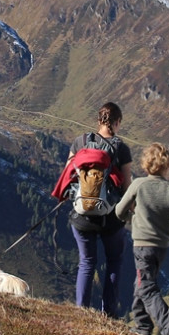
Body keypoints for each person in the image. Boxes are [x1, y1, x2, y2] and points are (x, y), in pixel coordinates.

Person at [51, 101, 132, 317]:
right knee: (114, 261)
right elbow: (126, 187)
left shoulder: (81, 142)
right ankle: (110, 314)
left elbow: (68, 176)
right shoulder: (121, 149)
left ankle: (82, 313)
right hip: (110, 217)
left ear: (99, 121)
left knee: (87, 262)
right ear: (117, 122)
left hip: (82, 216)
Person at [115, 142, 169, 335]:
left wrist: (130, 219)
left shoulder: (138, 185)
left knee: (147, 288)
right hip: (161, 246)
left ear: (146, 164)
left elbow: (119, 210)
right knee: (142, 283)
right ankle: (142, 327)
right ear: (166, 166)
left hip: (142, 245)